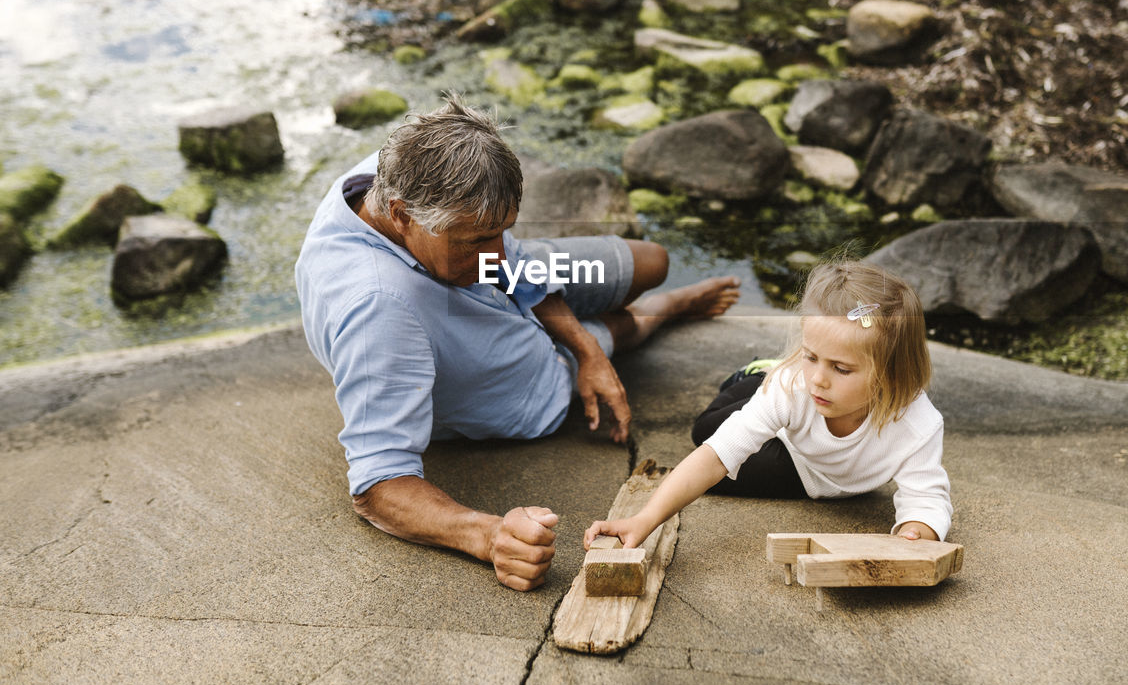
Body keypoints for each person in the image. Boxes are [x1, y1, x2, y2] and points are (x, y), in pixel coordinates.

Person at [295, 92, 740, 591]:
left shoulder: (393, 172)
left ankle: (607, 332)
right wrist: (487, 536)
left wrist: (584, 349)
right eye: (474, 241)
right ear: (400, 215)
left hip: (513, 292)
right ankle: (660, 314)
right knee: (620, 328)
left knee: (651, 261)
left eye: (501, 229)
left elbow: (501, 258)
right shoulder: (380, 308)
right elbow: (378, 485)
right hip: (523, 385)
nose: (495, 254)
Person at [583, 259, 952, 553]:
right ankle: (757, 373)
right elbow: (716, 455)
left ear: (892, 374)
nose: (819, 379)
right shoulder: (797, 386)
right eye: (811, 356)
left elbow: (926, 497)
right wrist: (644, 519)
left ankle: (775, 380)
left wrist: (915, 534)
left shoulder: (918, 424)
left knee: (729, 477)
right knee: (706, 432)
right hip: (786, 423)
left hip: (811, 474)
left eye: (840, 368)